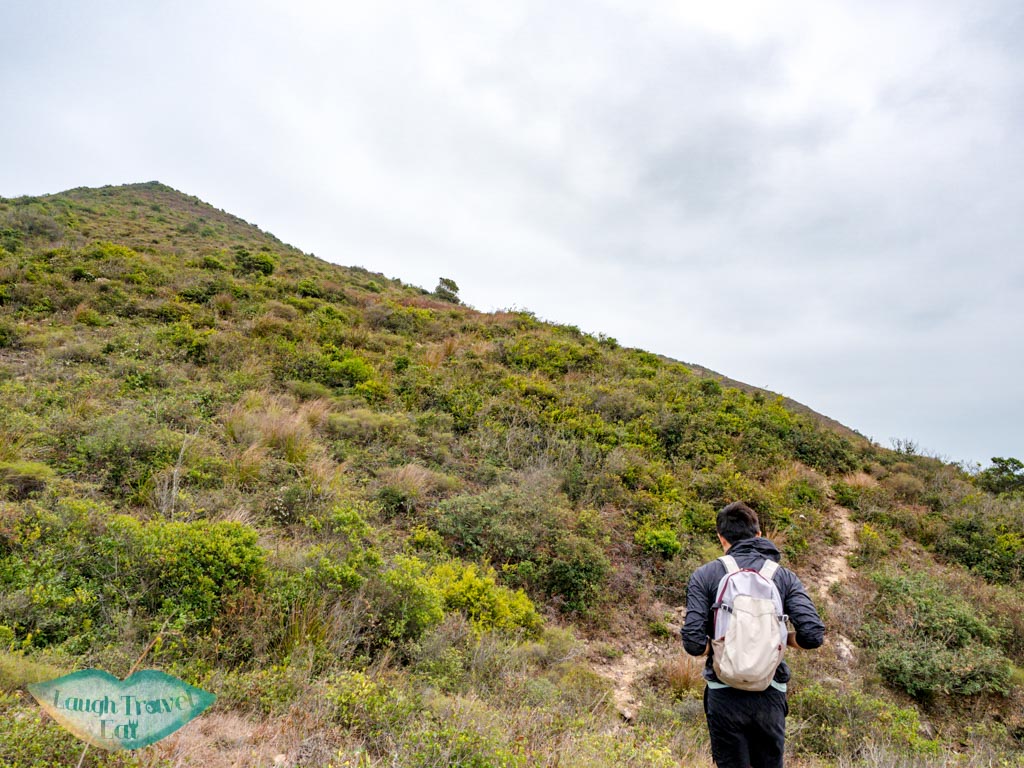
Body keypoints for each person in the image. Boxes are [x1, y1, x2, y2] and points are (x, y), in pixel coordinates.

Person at [682, 501, 824, 768]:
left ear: (721, 537)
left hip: (724, 693)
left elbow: (692, 642)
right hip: (770, 693)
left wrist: (720, 647)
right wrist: (784, 641)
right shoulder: (783, 577)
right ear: (758, 535)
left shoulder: (706, 575)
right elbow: (813, 635)